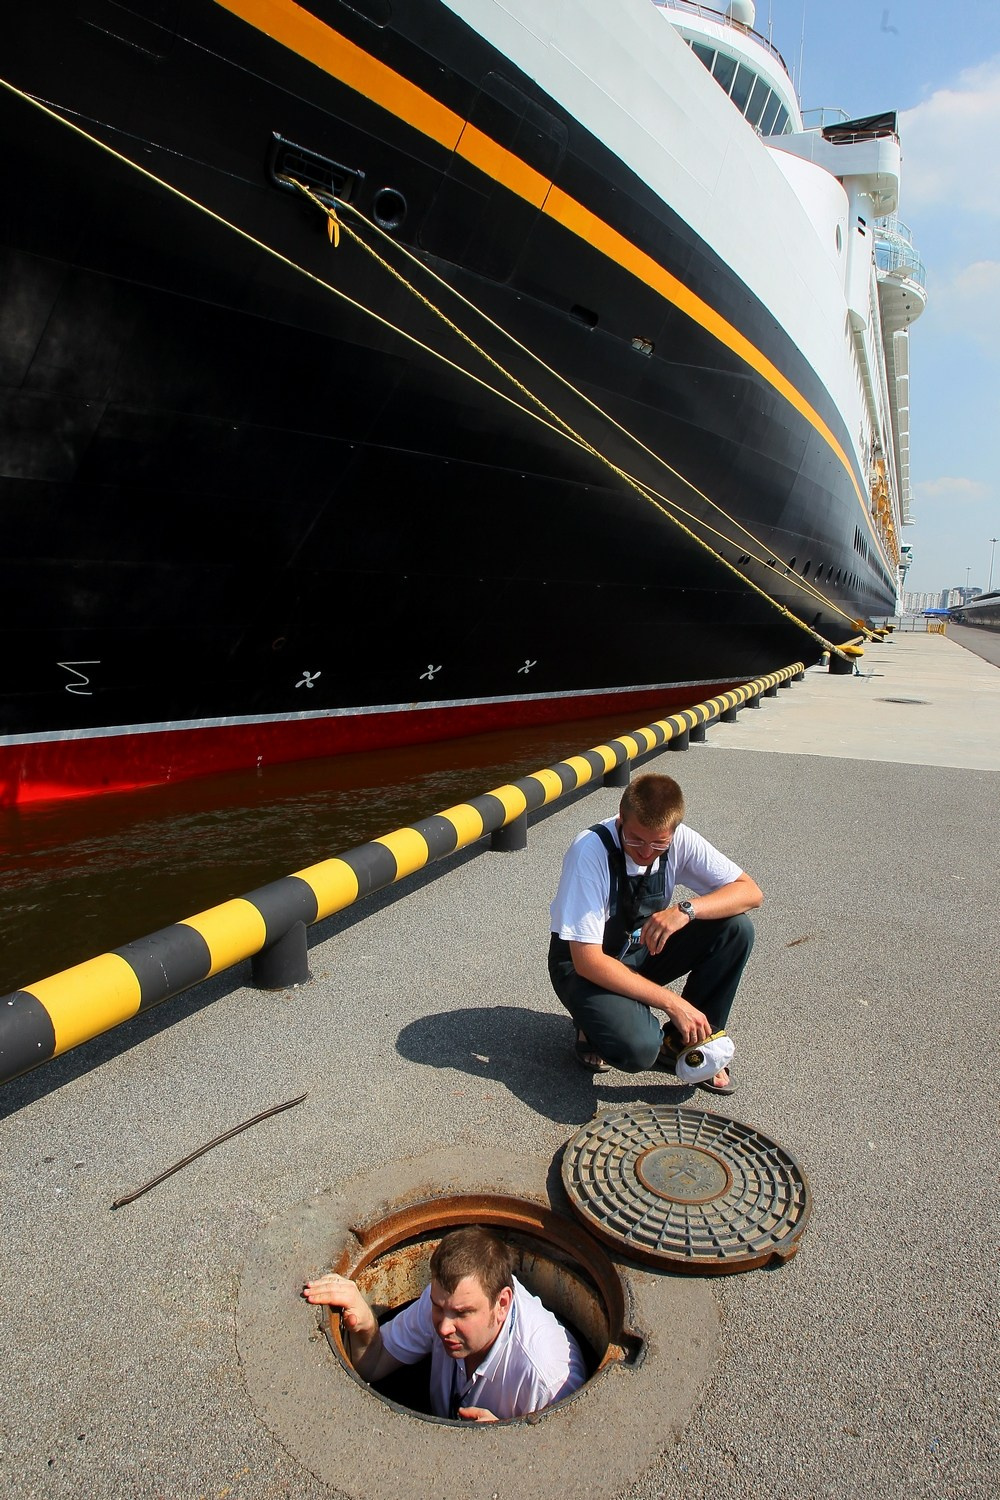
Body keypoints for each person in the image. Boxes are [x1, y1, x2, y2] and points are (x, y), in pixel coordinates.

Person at [548, 772, 762, 1092]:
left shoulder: (679, 841)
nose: (646, 852)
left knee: (736, 929)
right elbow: (587, 961)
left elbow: (750, 892)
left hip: (638, 950)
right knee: (639, 1050)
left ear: (674, 832)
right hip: (583, 968)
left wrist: (686, 911)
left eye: (659, 844)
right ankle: (593, 1025)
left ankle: (688, 1044)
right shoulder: (590, 852)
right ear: (621, 820)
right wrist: (673, 1004)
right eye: (635, 840)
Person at [303, 1226, 586, 1422]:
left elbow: (564, 1472)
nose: (443, 1327)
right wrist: (366, 1327)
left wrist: (508, 1445)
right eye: (439, 1307)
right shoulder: (441, 1303)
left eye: (463, 1314)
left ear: (501, 1304)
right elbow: (373, 1364)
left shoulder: (546, 1380)